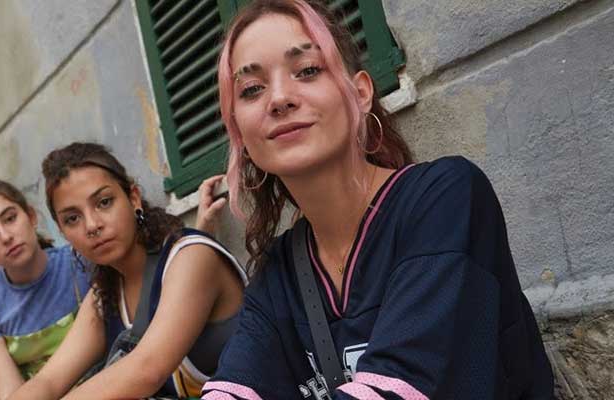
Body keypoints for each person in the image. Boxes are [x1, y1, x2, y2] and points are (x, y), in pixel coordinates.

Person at [200, 1, 554, 399]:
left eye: (308, 70)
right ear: (241, 134)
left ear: (361, 92)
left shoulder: (446, 199)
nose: (279, 98)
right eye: (251, 89)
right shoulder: (277, 273)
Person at [8, 142, 248, 399]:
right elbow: (48, 380)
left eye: (104, 202)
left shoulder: (191, 257)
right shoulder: (106, 295)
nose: (92, 225)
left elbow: (147, 369)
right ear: (62, 232)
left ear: (133, 198)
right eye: (72, 218)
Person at [0, 178, 91, 399]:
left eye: (10, 219)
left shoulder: (80, 262)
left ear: (31, 216)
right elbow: (9, 389)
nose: (5, 236)